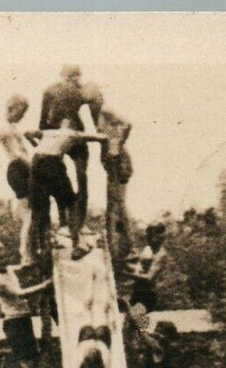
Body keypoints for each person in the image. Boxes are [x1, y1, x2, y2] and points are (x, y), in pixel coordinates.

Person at [38, 66, 103, 237]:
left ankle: (80, 223)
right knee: (59, 176)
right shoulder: (51, 91)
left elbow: (95, 108)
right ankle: (64, 223)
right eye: (70, 77)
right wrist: (46, 140)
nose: (74, 80)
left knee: (82, 176)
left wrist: (97, 127)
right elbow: (42, 120)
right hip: (58, 133)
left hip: (77, 135)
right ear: (63, 77)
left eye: (76, 77)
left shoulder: (83, 91)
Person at [0, 93, 36, 263]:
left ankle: (31, 251)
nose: (22, 116)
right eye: (21, 112)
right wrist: (36, 167)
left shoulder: (13, 128)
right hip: (19, 169)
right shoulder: (5, 129)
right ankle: (26, 254)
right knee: (30, 212)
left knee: (34, 211)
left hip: (23, 168)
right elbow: (17, 154)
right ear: (12, 108)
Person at [97, 105, 134, 267]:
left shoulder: (115, 137)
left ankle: (120, 248)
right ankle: (119, 248)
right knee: (115, 208)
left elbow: (128, 125)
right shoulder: (107, 137)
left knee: (116, 208)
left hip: (118, 171)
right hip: (115, 170)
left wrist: (115, 117)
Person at [126, 222, 168, 311]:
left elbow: (149, 278)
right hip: (137, 291)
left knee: (137, 318)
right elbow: (138, 268)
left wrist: (126, 273)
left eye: (150, 236)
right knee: (131, 320)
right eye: (148, 236)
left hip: (148, 294)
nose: (148, 239)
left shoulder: (161, 255)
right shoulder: (147, 249)